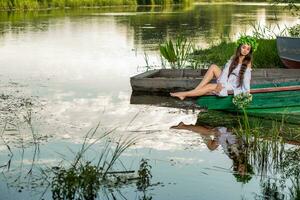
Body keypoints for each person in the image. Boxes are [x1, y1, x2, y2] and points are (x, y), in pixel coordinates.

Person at [170, 36, 258, 100]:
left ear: (250, 51)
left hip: (233, 85)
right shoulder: (234, 57)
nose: (245, 50)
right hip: (227, 80)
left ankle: (184, 94)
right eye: (244, 47)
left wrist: (246, 93)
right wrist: (221, 83)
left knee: (209, 86)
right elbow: (225, 72)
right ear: (240, 47)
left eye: (248, 49)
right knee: (213, 67)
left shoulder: (248, 62)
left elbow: (247, 80)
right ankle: (195, 91)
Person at [171, 122, 254, 183]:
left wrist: (218, 138)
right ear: (247, 168)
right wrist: (234, 131)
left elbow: (225, 145)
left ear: (236, 170)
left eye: (240, 171)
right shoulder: (246, 153)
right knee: (210, 132)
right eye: (244, 170)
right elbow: (246, 136)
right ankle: (184, 126)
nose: (241, 169)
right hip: (229, 132)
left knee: (211, 147)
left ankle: (203, 129)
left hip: (223, 136)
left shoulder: (233, 157)